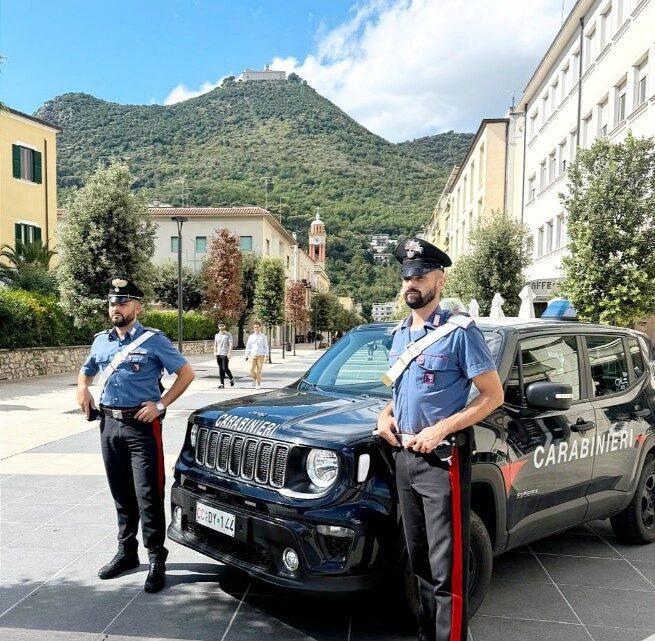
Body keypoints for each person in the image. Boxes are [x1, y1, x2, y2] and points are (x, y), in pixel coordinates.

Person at [376, 240, 503, 641]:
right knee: (418, 563)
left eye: (421, 275)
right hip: (404, 458)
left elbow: (492, 396)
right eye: (407, 277)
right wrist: (384, 416)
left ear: (440, 280)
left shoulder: (460, 333)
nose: (412, 283)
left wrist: (442, 429)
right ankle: (426, 634)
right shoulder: (398, 335)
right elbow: (396, 394)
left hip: (441, 461)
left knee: (447, 567)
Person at [77, 277, 195, 593]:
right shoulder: (101, 341)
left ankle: (156, 558)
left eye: (123, 302)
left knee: (148, 493)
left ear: (137, 307)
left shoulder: (154, 341)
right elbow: (86, 370)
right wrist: (82, 389)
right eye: (112, 302)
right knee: (121, 492)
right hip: (109, 425)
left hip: (142, 428)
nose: (116, 307)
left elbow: (186, 374)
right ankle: (127, 553)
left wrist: (160, 403)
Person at [245, 321, 268, 390]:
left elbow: (266, 346)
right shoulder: (251, 336)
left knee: (259, 371)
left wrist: (267, 355)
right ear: (254, 328)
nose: (256, 328)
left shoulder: (263, 336)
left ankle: (258, 383)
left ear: (260, 327)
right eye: (255, 327)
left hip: (261, 355)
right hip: (253, 355)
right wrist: (246, 355)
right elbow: (248, 346)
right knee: (251, 370)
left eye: (257, 327)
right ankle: (255, 379)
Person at [214, 322, 235, 389]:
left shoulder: (228, 334)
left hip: (225, 354)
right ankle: (222, 383)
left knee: (225, 368)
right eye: (220, 326)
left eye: (222, 325)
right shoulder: (217, 335)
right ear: (218, 327)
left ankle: (231, 378)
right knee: (220, 369)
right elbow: (215, 344)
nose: (221, 327)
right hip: (218, 354)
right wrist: (215, 352)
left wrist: (229, 353)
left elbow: (231, 344)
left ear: (224, 326)